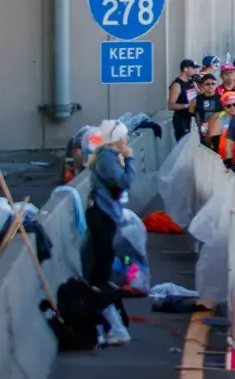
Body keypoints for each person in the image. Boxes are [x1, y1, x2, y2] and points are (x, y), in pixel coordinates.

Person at [84, 120, 135, 346]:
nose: (127, 140)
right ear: (117, 139)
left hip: (107, 213)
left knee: (106, 257)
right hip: (101, 214)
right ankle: (100, 309)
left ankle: (104, 310)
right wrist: (131, 159)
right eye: (125, 136)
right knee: (103, 261)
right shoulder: (106, 158)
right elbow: (126, 181)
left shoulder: (110, 157)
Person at [168, 60, 197, 140]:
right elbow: (171, 105)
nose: (194, 71)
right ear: (185, 69)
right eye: (193, 68)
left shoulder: (191, 82)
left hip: (192, 118)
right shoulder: (177, 84)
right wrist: (188, 105)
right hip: (182, 119)